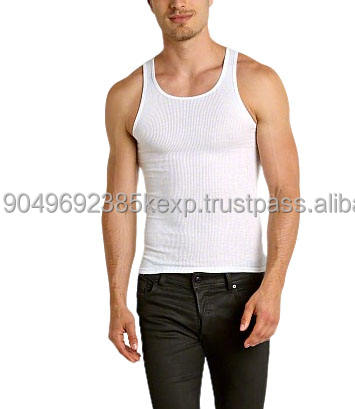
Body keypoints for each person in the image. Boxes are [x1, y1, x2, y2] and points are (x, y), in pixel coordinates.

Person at [102, 1, 300, 408]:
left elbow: (285, 193)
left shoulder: (256, 81)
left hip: (242, 290)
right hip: (162, 291)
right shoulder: (128, 94)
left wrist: (273, 285)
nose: (178, 3)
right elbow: (120, 203)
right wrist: (116, 298)